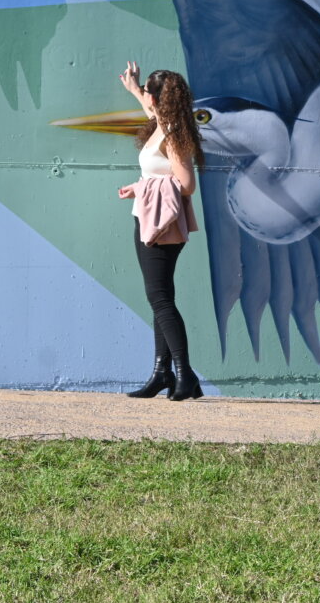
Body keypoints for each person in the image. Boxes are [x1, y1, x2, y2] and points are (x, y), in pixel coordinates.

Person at [117, 62, 206, 402]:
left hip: (163, 224)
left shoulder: (173, 135)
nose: (147, 101)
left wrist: (144, 187)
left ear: (158, 99)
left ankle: (185, 374)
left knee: (159, 298)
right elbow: (148, 107)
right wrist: (135, 88)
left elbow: (187, 185)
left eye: (149, 95)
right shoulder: (162, 123)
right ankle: (162, 373)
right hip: (148, 218)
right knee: (161, 296)